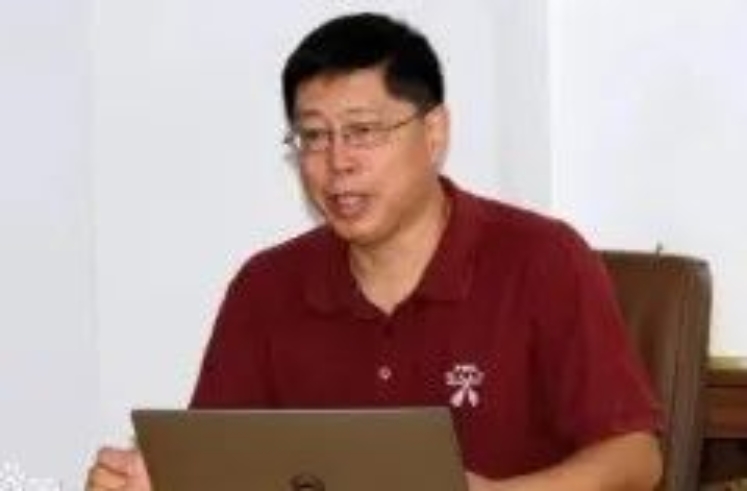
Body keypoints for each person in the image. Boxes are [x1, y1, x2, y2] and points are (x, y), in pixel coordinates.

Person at [87, 12, 663, 491]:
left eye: (362, 132)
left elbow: (636, 457)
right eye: (314, 136)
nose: (338, 162)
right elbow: (219, 468)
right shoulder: (266, 286)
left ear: (433, 133)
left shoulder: (542, 259)